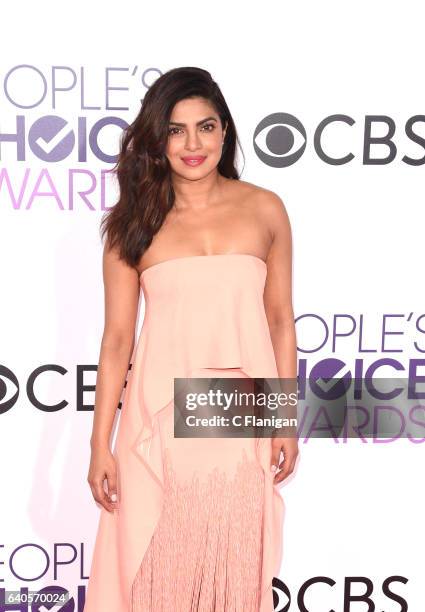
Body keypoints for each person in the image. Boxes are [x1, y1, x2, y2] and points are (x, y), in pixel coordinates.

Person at [83, 66, 299, 612]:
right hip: (159, 422)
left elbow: (279, 319)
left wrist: (283, 419)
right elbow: (115, 341)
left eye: (205, 126)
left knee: (230, 570)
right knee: (160, 575)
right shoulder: (133, 224)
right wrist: (97, 444)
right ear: (158, 140)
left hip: (237, 411)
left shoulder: (264, 208)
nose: (193, 144)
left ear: (225, 131)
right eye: (176, 130)